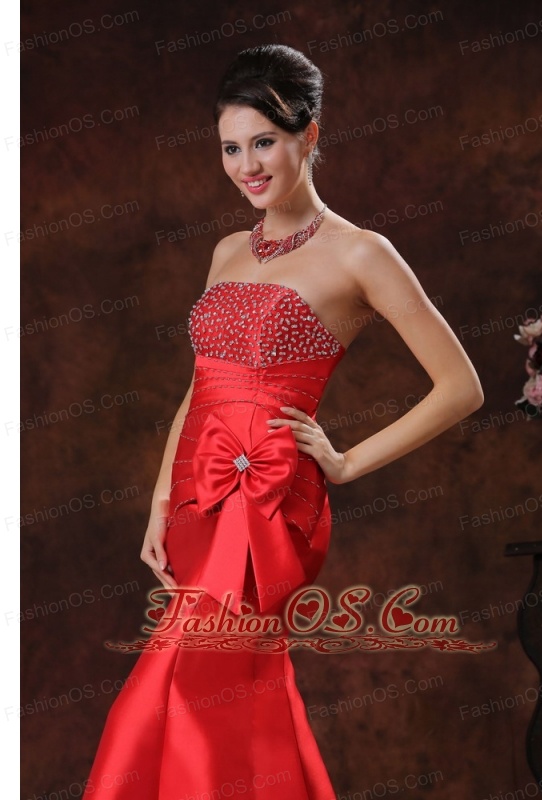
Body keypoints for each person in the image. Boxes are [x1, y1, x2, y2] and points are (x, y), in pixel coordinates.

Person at [84, 44, 483, 798]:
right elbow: (198, 388)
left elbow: (461, 387)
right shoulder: (227, 251)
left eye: (263, 142)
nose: (246, 166)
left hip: (267, 503)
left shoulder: (361, 254)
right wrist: (161, 499)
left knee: (189, 692)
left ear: (311, 135)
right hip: (197, 498)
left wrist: (347, 462)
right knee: (233, 700)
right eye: (230, 148)